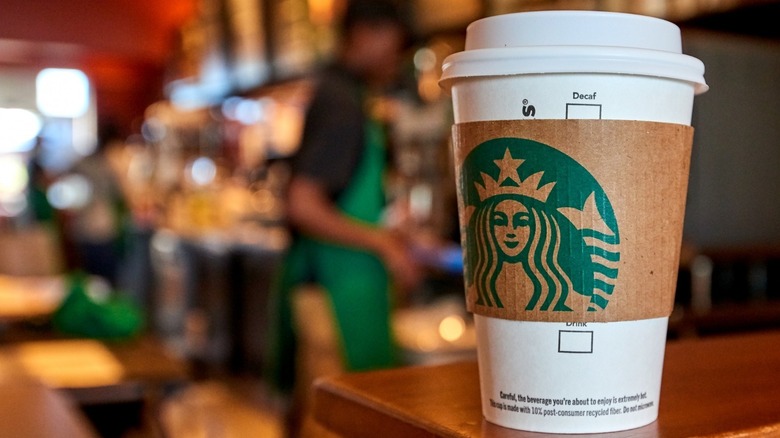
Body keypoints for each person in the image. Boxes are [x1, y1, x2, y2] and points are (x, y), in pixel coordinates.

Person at [265, 0, 422, 433]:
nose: (397, 53)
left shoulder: (345, 95)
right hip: (333, 298)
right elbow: (302, 202)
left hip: (344, 288)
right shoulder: (340, 102)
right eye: (394, 39)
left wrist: (392, 232)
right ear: (364, 32)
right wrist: (383, 242)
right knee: (335, 422)